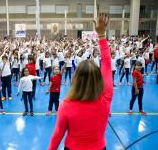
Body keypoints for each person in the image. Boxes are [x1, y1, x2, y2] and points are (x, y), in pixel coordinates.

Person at [48, 14, 113, 150]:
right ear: (98, 79)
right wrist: (101, 35)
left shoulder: (66, 105)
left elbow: (57, 135)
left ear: (76, 79)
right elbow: (107, 63)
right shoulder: (106, 98)